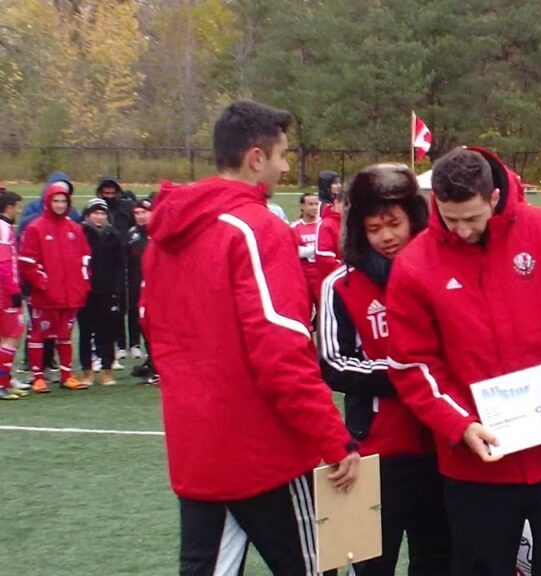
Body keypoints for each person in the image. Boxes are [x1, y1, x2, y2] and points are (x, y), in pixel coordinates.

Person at [141, 100, 360, 575]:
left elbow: (157, 335)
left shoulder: (163, 237)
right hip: (267, 452)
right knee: (318, 565)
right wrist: (333, 438)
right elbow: (281, 351)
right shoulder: (257, 227)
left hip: (198, 449)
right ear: (256, 158)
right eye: (282, 156)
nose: (285, 167)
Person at [387, 147, 541, 576]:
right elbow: (414, 365)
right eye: (450, 219)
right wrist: (460, 424)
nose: (463, 230)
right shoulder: (416, 265)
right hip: (476, 464)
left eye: (471, 218)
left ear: (493, 198)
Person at [319, 164, 449, 576]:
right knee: (367, 566)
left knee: (437, 562)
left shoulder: (442, 274)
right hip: (370, 453)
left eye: (394, 223)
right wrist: (411, 374)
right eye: (375, 229)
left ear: (415, 217)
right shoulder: (340, 285)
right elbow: (334, 364)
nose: (387, 236)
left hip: (440, 450)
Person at [19, 181, 91, 393]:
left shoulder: (75, 229)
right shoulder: (35, 228)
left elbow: (86, 258)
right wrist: (43, 284)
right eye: (56, 200)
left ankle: (66, 375)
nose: (59, 205)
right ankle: (38, 377)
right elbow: (27, 263)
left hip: (71, 295)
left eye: (63, 201)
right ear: (48, 202)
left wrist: (83, 283)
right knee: (39, 335)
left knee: (65, 335)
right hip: (45, 296)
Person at [78, 198, 124, 387]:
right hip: (86, 291)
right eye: (95, 213)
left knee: (107, 331)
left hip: (107, 290)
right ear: (88, 215)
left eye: (102, 213)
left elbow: (121, 266)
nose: (99, 217)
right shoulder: (80, 233)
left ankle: (107, 370)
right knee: (86, 333)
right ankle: (87, 371)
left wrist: (118, 290)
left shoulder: (114, 235)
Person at [95, 176, 135, 362]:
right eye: (106, 193)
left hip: (129, 258)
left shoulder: (126, 208)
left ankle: (133, 343)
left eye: (113, 193)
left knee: (131, 302)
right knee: (115, 304)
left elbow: (134, 229)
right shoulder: (97, 211)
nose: (109, 196)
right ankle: (119, 343)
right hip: (108, 262)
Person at [0, 192, 27, 400]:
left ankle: (6, 381)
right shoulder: (4, 229)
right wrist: (14, 291)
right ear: (9, 207)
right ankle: (2, 384)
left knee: (12, 337)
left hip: (6, 292)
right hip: (6, 295)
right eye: (16, 207)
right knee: (11, 338)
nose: (18, 211)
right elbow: (4, 264)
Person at [126, 197, 153, 360]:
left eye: (144, 212)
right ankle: (151, 361)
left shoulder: (160, 232)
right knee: (143, 322)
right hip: (138, 285)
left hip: (158, 287)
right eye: (137, 213)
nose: (140, 216)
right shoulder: (132, 234)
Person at [292, 192, 325, 307]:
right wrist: (310, 251)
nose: (315, 207)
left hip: (322, 277)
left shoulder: (325, 225)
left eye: (316, 204)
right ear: (302, 206)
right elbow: (291, 251)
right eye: (310, 204)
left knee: (324, 310)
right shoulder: (294, 228)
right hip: (303, 278)